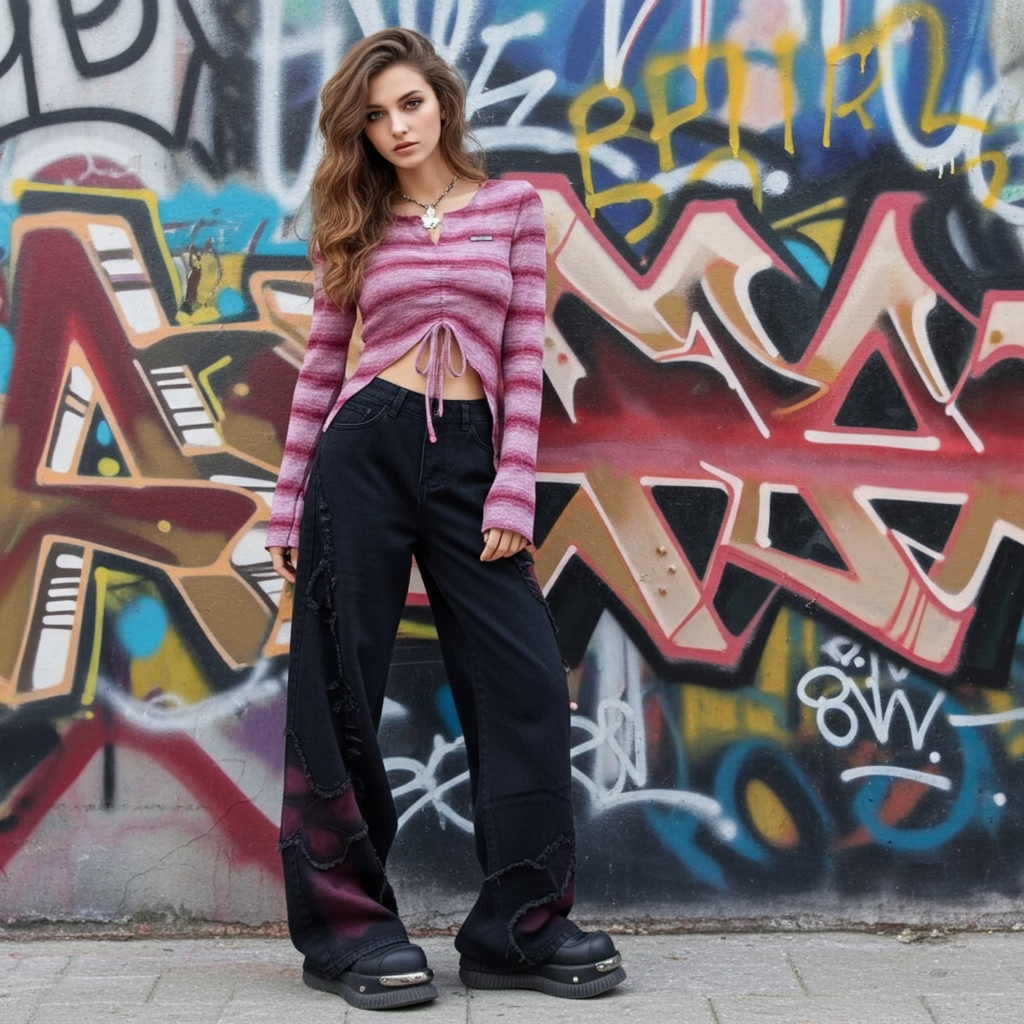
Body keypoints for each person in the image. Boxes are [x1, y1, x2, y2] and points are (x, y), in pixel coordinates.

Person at [266, 27, 626, 1011]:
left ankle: (519, 924)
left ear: (442, 101)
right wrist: (287, 502)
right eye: (375, 116)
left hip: (471, 458)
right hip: (362, 452)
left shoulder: (513, 207)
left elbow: (521, 354)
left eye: (408, 105)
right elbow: (321, 365)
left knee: (521, 685)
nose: (394, 128)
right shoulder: (354, 219)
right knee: (339, 688)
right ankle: (348, 929)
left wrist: (513, 484)